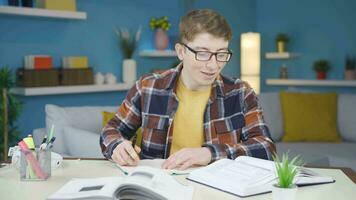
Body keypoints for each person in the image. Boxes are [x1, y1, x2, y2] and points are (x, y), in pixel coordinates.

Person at [100, 9, 275, 170]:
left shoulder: (241, 93)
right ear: (181, 52)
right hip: (159, 187)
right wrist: (117, 146)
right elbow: (111, 130)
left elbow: (266, 148)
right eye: (203, 53)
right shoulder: (147, 87)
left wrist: (209, 153)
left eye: (221, 54)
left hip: (218, 190)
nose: (213, 65)